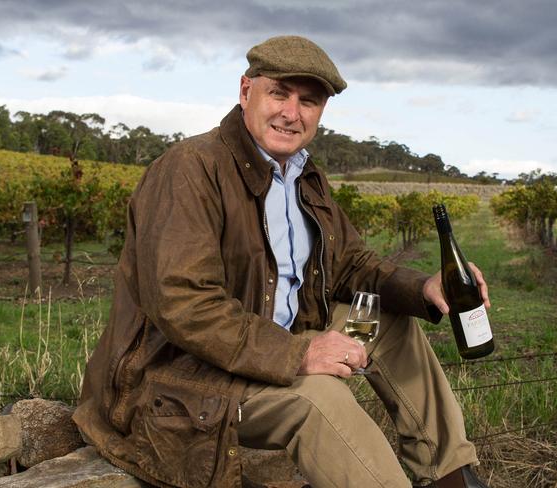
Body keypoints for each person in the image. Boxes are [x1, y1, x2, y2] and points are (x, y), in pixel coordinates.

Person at [73, 35, 491, 488]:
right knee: (317, 398)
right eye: (279, 93)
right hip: (187, 382)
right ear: (245, 91)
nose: (292, 113)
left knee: (385, 319)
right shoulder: (190, 169)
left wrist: (423, 287)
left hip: (267, 353)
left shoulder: (305, 177)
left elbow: (352, 264)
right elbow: (184, 304)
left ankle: (452, 475)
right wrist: (299, 353)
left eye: (308, 101)